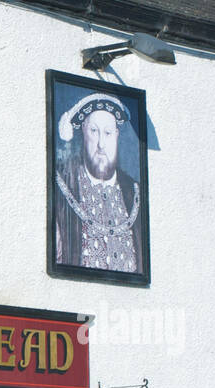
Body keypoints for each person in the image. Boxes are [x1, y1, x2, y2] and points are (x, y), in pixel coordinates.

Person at [53, 91, 144, 273]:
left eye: (108, 133)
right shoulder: (61, 188)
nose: (101, 144)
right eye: (94, 131)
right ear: (83, 134)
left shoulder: (134, 192)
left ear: (117, 135)